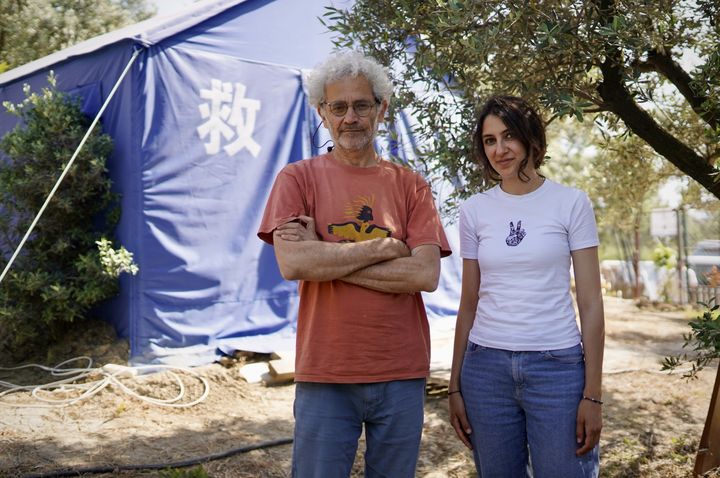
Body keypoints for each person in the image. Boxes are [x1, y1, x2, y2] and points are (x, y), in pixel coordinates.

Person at [257, 50, 451, 478]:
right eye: (338, 107)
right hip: (326, 371)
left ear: (381, 108)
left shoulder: (411, 185)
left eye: (361, 105)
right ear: (321, 112)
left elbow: (425, 274)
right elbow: (292, 264)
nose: (350, 118)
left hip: (401, 371)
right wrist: (383, 246)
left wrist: (324, 256)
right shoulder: (297, 179)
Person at [448, 95, 605, 477]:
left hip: (557, 369)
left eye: (508, 136)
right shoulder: (474, 211)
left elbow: (591, 303)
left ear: (530, 138)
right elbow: (468, 303)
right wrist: (454, 387)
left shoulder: (571, 203)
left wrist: (593, 394)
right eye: (489, 141)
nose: (499, 150)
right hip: (485, 370)